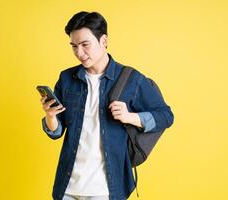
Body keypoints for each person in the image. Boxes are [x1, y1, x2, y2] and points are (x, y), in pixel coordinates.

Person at [40, 11, 174, 200]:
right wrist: (51, 116)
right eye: (74, 46)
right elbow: (56, 132)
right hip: (67, 186)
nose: (79, 53)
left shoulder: (131, 79)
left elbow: (166, 116)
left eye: (85, 45)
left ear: (104, 41)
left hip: (106, 189)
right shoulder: (66, 78)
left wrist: (131, 117)